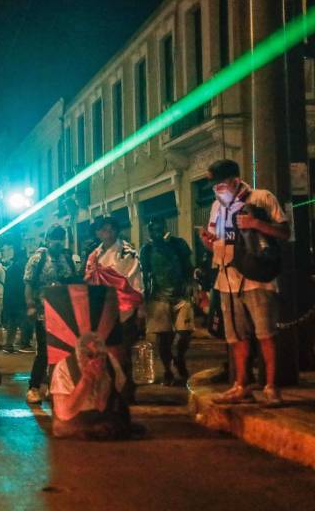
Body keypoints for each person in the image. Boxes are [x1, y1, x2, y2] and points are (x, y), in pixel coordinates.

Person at [198, 159, 289, 404]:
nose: (218, 189)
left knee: (265, 333)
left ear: (235, 181)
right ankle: (241, 384)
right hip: (226, 278)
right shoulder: (217, 207)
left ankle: (271, 386)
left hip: (256, 278)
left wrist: (257, 224)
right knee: (236, 336)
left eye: (221, 184)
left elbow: (285, 232)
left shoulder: (261, 198)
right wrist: (207, 241)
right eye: (215, 186)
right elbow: (215, 241)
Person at [84, 216, 143, 403]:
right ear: (97, 233)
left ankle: (125, 391)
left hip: (123, 309)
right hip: (101, 310)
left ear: (116, 231)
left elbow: (133, 282)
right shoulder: (94, 254)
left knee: (122, 353)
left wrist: (140, 308)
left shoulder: (127, 252)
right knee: (104, 352)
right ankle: (109, 390)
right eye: (102, 230)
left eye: (110, 229)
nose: (106, 233)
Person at [24, 225, 77, 404]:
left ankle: (55, 385)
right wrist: (30, 305)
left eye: (61, 238)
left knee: (62, 351)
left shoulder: (68, 258)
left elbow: (74, 282)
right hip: (42, 313)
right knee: (44, 352)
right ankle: (34, 387)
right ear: (47, 239)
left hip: (64, 313)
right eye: (54, 237)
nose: (58, 241)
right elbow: (29, 284)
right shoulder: (37, 259)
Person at [140, 217, 195, 386]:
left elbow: (189, 267)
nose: (156, 233)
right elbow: (145, 275)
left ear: (165, 228)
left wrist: (192, 287)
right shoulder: (147, 250)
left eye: (159, 229)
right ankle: (168, 371)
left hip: (181, 296)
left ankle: (179, 358)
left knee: (184, 334)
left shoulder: (179, 244)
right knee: (163, 339)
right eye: (152, 230)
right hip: (158, 298)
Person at [50, 332, 131, 439]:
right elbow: (64, 413)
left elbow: (115, 396)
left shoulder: (110, 363)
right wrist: (87, 379)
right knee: (62, 428)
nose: (96, 361)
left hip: (104, 418)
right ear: (80, 355)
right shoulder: (65, 367)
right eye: (89, 356)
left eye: (100, 355)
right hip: (75, 421)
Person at [2, 242, 32, 354]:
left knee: (12, 324)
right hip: (18, 301)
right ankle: (24, 344)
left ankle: (9, 345)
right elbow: (18, 287)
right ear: (21, 258)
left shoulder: (11, 269)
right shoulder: (19, 269)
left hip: (11, 301)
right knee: (25, 322)